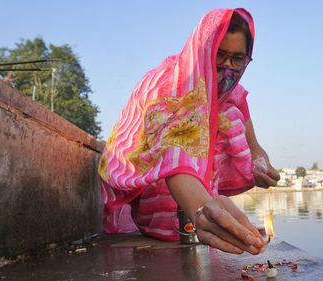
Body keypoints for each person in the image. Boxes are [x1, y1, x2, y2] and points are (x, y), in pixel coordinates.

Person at [98, 8, 280, 255]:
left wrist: (259, 164)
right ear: (204, 49)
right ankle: (192, 219)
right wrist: (202, 209)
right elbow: (173, 153)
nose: (228, 67)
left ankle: (204, 217)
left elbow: (254, 146)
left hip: (201, 201)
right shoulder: (168, 84)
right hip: (158, 197)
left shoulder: (233, 94)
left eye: (238, 59)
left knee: (228, 114)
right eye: (220, 55)